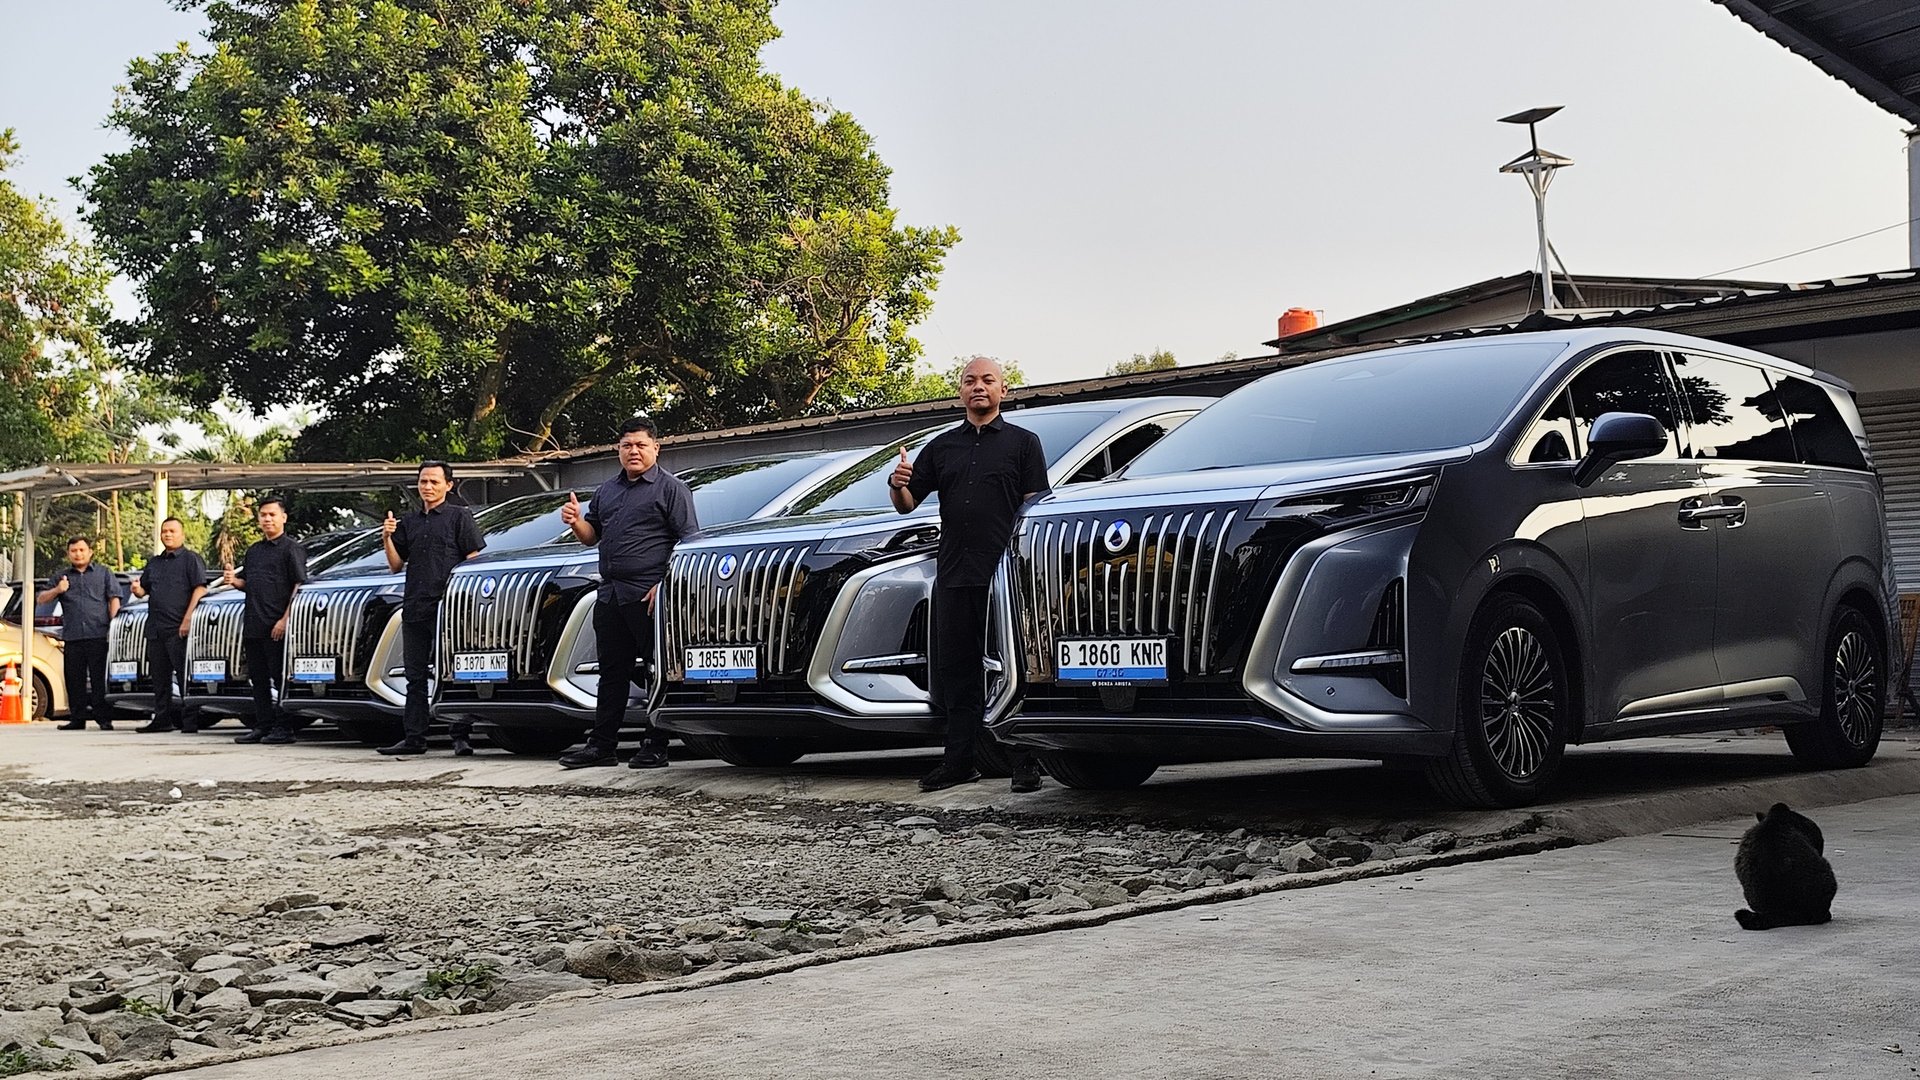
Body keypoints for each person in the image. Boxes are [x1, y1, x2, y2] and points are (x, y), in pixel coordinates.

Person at [889, 357, 1047, 793]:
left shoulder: (1023, 443)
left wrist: (1021, 567)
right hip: (954, 570)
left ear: (1003, 391)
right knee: (957, 669)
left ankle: (1024, 761)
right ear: (960, 391)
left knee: (1010, 666)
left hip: (1004, 575)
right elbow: (906, 502)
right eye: (970, 381)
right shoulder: (941, 448)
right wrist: (897, 481)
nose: (979, 387)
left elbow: (1035, 508)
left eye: (988, 381)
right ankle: (959, 761)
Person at [557, 416, 698, 769]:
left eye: (640, 445)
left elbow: (689, 544)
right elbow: (593, 536)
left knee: (656, 669)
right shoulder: (607, 490)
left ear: (655, 448)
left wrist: (664, 585)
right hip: (610, 594)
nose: (633, 451)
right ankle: (602, 746)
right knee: (612, 673)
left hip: (650, 596)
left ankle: (656, 744)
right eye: (626, 445)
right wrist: (576, 522)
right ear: (617, 449)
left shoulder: (671, 489)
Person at [377, 461, 486, 756]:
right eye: (423, 481)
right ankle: (415, 738)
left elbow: (473, 560)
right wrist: (387, 536)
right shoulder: (409, 522)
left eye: (434, 482)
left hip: (448, 609)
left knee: (452, 673)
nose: (428, 487)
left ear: (448, 485)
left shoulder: (459, 517)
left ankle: (461, 736)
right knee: (414, 675)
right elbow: (395, 565)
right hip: (414, 605)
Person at [223, 496, 306, 745]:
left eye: (272, 514)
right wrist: (233, 581)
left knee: (280, 677)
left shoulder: (292, 548)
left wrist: (284, 619)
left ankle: (284, 727)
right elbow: (248, 584)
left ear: (283, 517)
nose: (267, 519)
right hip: (253, 624)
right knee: (258, 679)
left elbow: (299, 586)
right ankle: (263, 725)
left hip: (278, 625)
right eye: (263, 515)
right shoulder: (254, 551)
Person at [37, 536, 126, 731]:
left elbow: (114, 598)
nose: (78, 554)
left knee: (99, 679)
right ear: (68, 554)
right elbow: (41, 599)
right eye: (74, 551)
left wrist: (114, 625)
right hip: (73, 635)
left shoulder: (103, 573)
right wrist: (58, 590)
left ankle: (103, 718)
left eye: (81, 550)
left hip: (99, 634)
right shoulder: (61, 576)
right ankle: (77, 718)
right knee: (74, 679)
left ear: (90, 552)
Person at [130, 518, 208, 733]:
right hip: (155, 628)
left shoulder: (190, 559)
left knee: (184, 675)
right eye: (164, 531)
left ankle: (190, 720)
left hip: (179, 628)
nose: (168, 535)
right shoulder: (154, 563)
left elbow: (200, 588)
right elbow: (144, 590)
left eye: (172, 531)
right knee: (160, 678)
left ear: (182, 534)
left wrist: (188, 618)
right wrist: (137, 590)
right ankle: (162, 719)